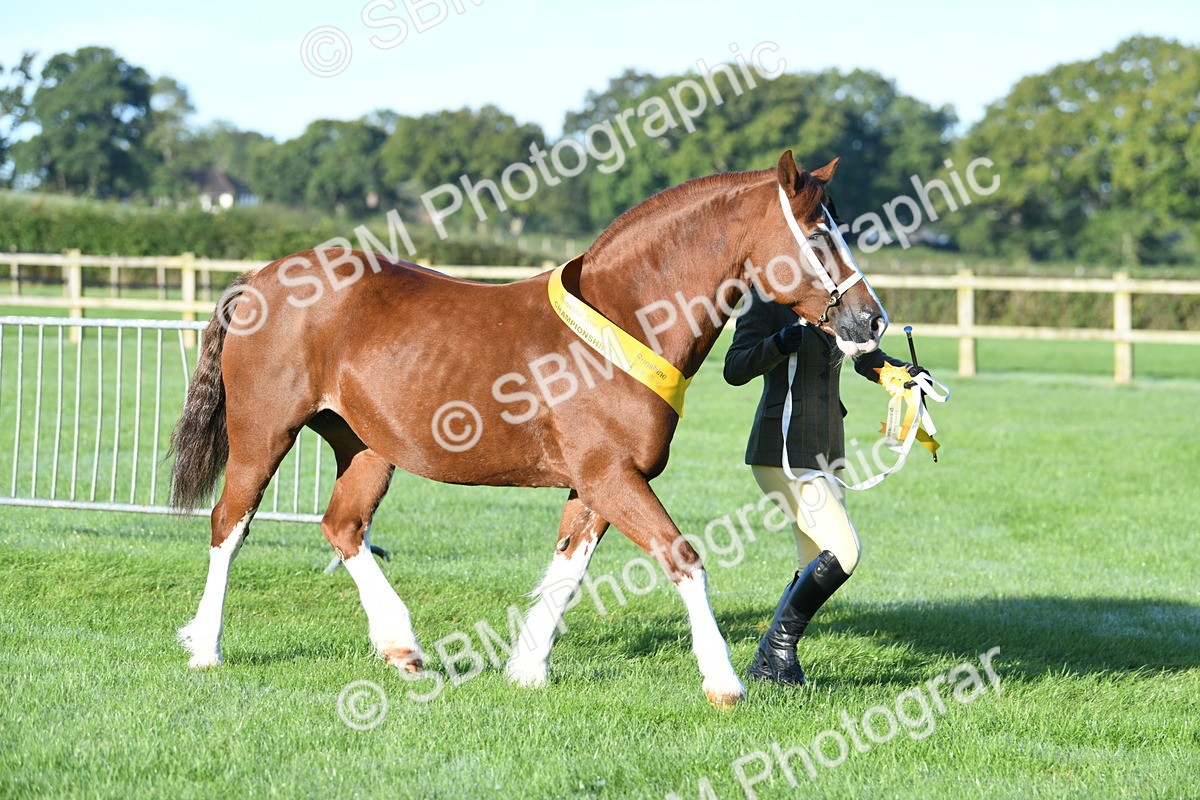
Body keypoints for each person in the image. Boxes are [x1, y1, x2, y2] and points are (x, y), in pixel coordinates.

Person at [723, 288, 927, 685]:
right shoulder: (764, 300)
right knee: (845, 552)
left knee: (811, 564)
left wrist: (905, 376)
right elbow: (735, 368)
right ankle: (776, 652)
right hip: (781, 451)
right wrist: (778, 344)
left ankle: (770, 665)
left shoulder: (835, 303)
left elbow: (865, 359)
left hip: (828, 450)